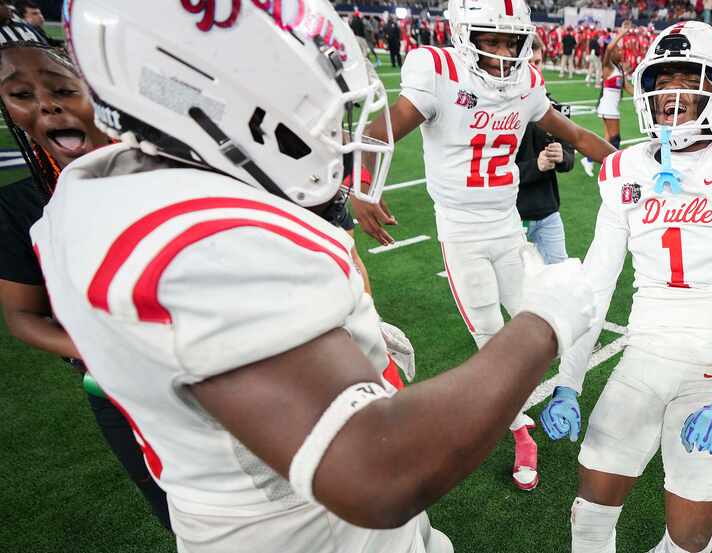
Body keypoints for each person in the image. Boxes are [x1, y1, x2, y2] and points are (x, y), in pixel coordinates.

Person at [39, 2, 597, 552]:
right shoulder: (195, 240)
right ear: (196, 89)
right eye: (302, 97)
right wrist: (544, 320)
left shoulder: (126, 192)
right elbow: (374, 471)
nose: (329, 123)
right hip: (304, 528)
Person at [542, 21, 712, 553]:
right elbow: (595, 286)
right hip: (642, 356)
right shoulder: (625, 169)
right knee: (587, 518)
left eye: (688, 78)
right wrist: (569, 379)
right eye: (662, 81)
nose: (672, 96)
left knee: (689, 540)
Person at [350, 0, 614, 491]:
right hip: (461, 232)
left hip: (507, 224)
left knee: (549, 319)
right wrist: (362, 186)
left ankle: (560, 398)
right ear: (465, 35)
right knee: (491, 341)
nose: (501, 52)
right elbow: (378, 132)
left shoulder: (527, 84)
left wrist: (625, 165)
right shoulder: (440, 71)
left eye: (510, 41)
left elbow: (574, 134)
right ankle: (522, 436)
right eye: (490, 40)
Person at [0, 19, 172, 532]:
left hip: (220, 374)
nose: (45, 105)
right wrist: (102, 345)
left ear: (94, 93)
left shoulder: (163, 164)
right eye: (20, 94)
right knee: (192, 525)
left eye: (60, 89)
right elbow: (22, 316)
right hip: (118, 394)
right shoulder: (22, 205)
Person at [517, 36, 575, 265]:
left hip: (548, 213)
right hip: (511, 217)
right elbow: (491, 171)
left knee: (560, 280)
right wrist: (536, 166)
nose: (534, 69)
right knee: (517, 292)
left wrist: (562, 157)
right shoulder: (498, 111)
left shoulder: (554, 106)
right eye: (528, 63)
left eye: (538, 62)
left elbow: (570, 157)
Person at [581, 22, 634, 178]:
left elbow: (628, 88)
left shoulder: (619, 70)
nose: (620, 52)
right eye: (618, 50)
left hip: (610, 107)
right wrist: (622, 34)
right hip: (608, 107)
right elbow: (609, 48)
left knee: (607, 138)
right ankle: (614, 168)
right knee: (615, 138)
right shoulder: (608, 67)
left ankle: (589, 160)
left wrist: (641, 96)